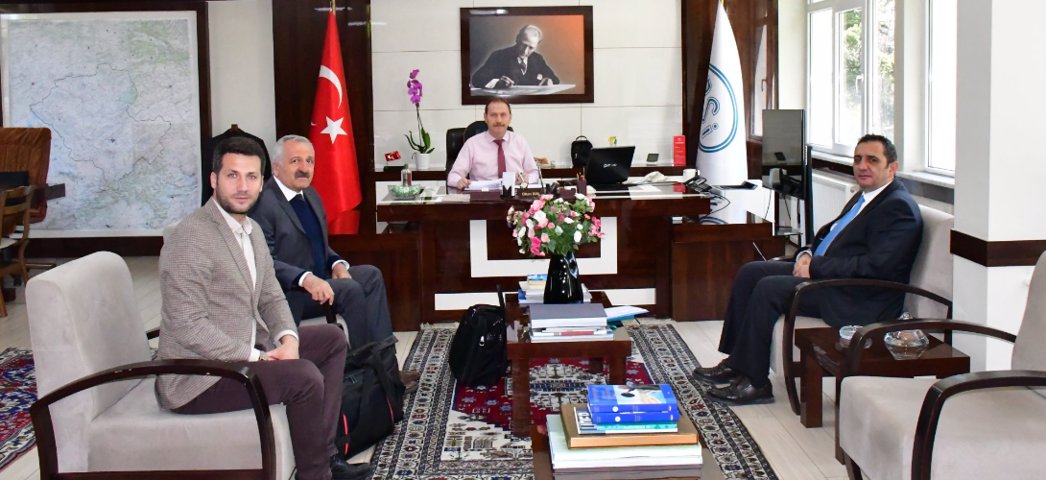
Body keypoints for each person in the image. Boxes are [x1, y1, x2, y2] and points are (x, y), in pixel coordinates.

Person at [156, 137, 367, 480]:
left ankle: (325, 457)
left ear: (261, 182)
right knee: (303, 377)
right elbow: (187, 325)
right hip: (200, 374)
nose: (243, 187)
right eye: (233, 175)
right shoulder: (191, 237)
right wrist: (257, 357)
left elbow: (270, 295)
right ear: (214, 180)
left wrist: (289, 339)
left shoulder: (250, 230)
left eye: (251, 177)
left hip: (248, 346)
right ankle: (316, 475)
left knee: (332, 339)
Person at [694, 134, 923, 405]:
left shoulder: (898, 207)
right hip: (832, 276)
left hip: (858, 294)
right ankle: (737, 363)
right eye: (858, 159)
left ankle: (755, 383)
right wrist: (806, 255)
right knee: (750, 272)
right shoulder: (866, 196)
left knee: (768, 288)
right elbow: (832, 237)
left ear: (892, 167)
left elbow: (876, 267)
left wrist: (815, 267)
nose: (862, 166)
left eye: (872, 160)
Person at [248, 134, 419, 391]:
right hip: (289, 294)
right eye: (295, 161)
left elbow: (319, 245)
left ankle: (387, 368)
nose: (304, 168)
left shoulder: (310, 195)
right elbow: (265, 262)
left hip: (320, 281)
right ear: (276, 167)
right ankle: (367, 376)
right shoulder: (263, 203)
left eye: (309, 161)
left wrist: (337, 264)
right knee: (350, 289)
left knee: (370, 275)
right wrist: (306, 278)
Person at [447, 98, 539, 189]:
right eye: (493, 115)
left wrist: (527, 179)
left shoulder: (520, 142)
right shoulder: (472, 144)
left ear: (510, 118)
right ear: (485, 117)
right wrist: (459, 181)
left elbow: (534, 173)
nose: (499, 120)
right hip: (482, 196)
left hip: (515, 195)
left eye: (503, 115)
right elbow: (453, 176)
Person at [471, 24, 560, 89]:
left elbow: (555, 80)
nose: (525, 51)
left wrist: (549, 80)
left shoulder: (537, 59)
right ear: (517, 39)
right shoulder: (499, 56)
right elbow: (477, 79)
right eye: (523, 45)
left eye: (531, 48)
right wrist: (497, 82)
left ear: (537, 45)